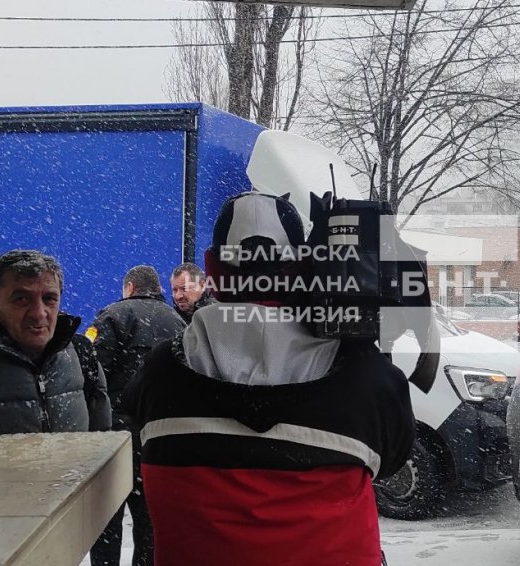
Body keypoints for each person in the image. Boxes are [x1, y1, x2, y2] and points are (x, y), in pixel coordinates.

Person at [124, 192, 415, 566]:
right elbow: (392, 461)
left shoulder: (159, 373)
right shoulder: (365, 375)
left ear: (211, 269)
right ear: (301, 266)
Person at [88, 265, 186, 566]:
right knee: (149, 522)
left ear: (130, 287)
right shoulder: (179, 322)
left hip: (116, 437)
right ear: (157, 289)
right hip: (158, 437)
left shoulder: (113, 316)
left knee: (107, 521)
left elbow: (92, 371)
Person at [0, 249, 111, 434]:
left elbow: (102, 444)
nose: (39, 313)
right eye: (22, 299)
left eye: (49, 299)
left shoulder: (82, 354)